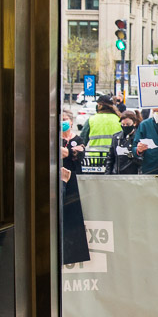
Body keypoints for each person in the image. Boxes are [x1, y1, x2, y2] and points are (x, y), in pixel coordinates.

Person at [61, 110, 91, 265]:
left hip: (75, 177)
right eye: (61, 119)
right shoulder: (55, 139)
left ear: (71, 122)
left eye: (65, 119)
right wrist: (72, 152)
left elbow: (79, 155)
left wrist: (72, 152)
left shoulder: (78, 138)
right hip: (60, 178)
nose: (63, 122)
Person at [80, 94, 122, 171]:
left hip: (95, 160)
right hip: (114, 159)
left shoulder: (91, 120)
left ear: (100, 105)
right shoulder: (119, 119)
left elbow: (82, 141)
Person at [105, 110, 142, 175]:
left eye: (128, 124)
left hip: (133, 175)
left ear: (134, 123)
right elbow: (111, 157)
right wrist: (107, 174)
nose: (125, 126)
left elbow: (142, 159)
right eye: (123, 124)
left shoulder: (139, 137)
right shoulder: (116, 137)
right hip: (117, 173)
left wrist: (132, 155)